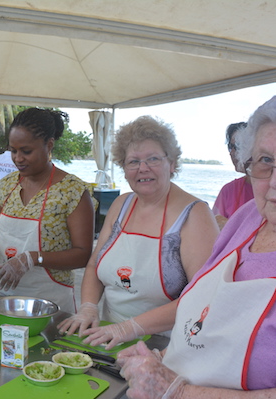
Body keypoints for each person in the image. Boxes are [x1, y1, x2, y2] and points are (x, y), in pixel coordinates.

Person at [116, 88, 276, 399]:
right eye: (265, 161)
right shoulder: (248, 217)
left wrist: (176, 390)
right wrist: (167, 360)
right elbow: (207, 312)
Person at [58, 116, 219, 349]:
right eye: (133, 161)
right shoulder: (121, 205)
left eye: (153, 159)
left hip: (167, 345)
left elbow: (203, 296)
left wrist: (130, 328)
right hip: (108, 336)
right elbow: (94, 266)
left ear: (172, 164)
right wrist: (89, 307)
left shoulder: (195, 214)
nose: (143, 168)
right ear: (123, 168)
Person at [0, 108, 96, 313]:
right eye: (13, 151)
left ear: (49, 145)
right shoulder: (7, 185)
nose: (18, 158)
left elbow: (83, 255)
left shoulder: (73, 191)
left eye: (26, 151)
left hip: (50, 301)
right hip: (3, 295)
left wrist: (33, 258)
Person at [212, 122, 254, 229]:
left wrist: (229, 226)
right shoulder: (228, 191)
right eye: (230, 147)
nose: (232, 152)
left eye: (238, 146)